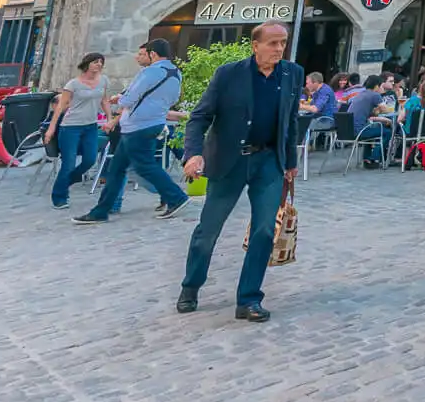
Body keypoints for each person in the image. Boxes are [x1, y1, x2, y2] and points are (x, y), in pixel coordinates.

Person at [176, 21, 302, 321]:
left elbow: (291, 121)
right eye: (272, 43)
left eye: (282, 42)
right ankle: (190, 286)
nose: (278, 48)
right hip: (230, 162)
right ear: (255, 45)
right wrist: (192, 154)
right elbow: (200, 117)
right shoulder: (229, 74)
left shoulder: (292, 74)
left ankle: (249, 299)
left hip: (269, 162)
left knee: (263, 231)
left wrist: (291, 163)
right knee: (208, 231)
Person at [75, 39, 188, 225]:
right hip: (154, 122)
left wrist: (120, 98)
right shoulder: (176, 73)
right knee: (117, 169)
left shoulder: (149, 72)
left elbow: (129, 99)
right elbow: (173, 98)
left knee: (144, 166)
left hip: (138, 125)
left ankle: (176, 197)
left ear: (153, 54)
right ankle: (101, 210)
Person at [45, 53, 108, 209]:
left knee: (90, 159)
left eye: (101, 62)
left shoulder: (103, 80)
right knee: (69, 163)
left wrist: (110, 117)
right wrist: (51, 128)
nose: (98, 64)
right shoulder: (73, 84)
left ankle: (65, 182)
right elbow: (60, 106)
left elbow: (104, 100)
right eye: (95, 62)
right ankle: (59, 197)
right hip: (71, 127)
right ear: (87, 64)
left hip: (91, 126)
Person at [342, 75, 393, 169]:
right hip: (359, 131)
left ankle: (367, 159)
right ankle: (374, 158)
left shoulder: (361, 94)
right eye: (381, 86)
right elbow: (387, 110)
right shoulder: (375, 95)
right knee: (387, 132)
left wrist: (377, 111)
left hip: (348, 131)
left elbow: (370, 114)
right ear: (377, 86)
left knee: (372, 131)